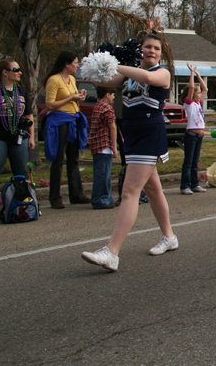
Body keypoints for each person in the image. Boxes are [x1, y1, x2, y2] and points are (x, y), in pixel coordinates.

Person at [81, 30, 179, 271]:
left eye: (156, 48)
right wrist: (97, 68)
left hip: (149, 134)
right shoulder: (127, 75)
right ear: (140, 50)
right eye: (148, 46)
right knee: (153, 189)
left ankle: (112, 252)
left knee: (129, 192)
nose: (152, 51)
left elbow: (146, 77)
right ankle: (169, 237)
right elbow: (103, 82)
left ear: (161, 54)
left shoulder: (162, 73)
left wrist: (117, 65)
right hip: (132, 135)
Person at [43, 51, 89, 208]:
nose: (77, 66)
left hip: (73, 119)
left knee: (73, 159)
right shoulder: (54, 80)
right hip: (59, 121)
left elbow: (73, 99)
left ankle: (77, 194)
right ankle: (55, 197)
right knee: (58, 159)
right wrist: (71, 98)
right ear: (66, 64)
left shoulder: (72, 79)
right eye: (75, 63)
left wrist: (79, 97)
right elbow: (50, 105)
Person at [0, 58, 35, 194]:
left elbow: (29, 115)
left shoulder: (22, 91)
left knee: (22, 174)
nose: (19, 72)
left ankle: (23, 203)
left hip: (19, 137)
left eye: (19, 70)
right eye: (16, 70)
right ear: (5, 72)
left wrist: (31, 137)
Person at [180, 64, 208, 195]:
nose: (200, 94)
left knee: (195, 162)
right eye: (198, 92)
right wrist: (191, 73)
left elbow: (205, 88)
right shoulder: (189, 104)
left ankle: (194, 184)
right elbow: (191, 87)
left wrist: (199, 75)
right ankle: (185, 186)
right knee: (189, 161)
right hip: (191, 136)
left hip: (199, 136)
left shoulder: (198, 103)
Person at [88, 87, 117, 209]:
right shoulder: (107, 108)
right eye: (112, 94)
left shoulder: (97, 106)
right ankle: (100, 199)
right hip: (104, 145)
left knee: (101, 173)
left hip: (96, 144)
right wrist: (114, 147)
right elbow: (112, 127)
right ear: (107, 95)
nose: (113, 97)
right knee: (104, 175)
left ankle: (105, 197)